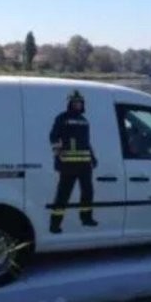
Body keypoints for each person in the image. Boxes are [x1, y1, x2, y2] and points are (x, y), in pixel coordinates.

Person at [47, 90, 99, 233]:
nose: (78, 105)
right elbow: (53, 136)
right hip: (68, 164)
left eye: (80, 102)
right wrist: (58, 154)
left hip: (84, 164)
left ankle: (86, 218)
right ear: (70, 103)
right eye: (75, 102)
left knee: (87, 192)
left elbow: (86, 142)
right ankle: (55, 224)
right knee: (63, 195)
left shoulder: (84, 120)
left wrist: (93, 158)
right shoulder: (62, 118)